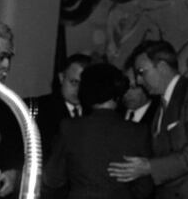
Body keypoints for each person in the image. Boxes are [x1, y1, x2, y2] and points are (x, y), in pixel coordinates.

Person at [107, 40, 188, 199]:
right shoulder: (160, 108)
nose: (138, 80)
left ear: (163, 67)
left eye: (141, 72)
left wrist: (150, 166)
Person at [43, 63, 153, 199]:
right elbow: (145, 187)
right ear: (119, 92)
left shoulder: (70, 127)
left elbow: (53, 179)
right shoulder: (138, 131)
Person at [27, 53, 92, 159]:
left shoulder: (94, 113)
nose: (78, 90)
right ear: (62, 77)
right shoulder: (40, 108)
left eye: (84, 84)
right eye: (74, 82)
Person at [0, 23, 22, 199]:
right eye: (1, 56)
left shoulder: (4, 107)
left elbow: (12, 152)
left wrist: (12, 175)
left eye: (9, 57)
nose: (6, 65)